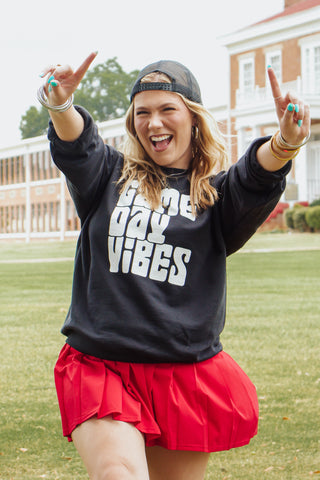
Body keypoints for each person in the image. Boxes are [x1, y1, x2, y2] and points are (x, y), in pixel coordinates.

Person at [38, 52, 310, 480]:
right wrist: (59, 105)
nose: (154, 122)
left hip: (182, 375)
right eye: (142, 112)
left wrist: (286, 142)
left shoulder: (217, 199)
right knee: (117, 473)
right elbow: (78, 145)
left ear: (194, 119)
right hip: (102, 365)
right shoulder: (107, 175)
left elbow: (256, 176)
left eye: (168, 109)